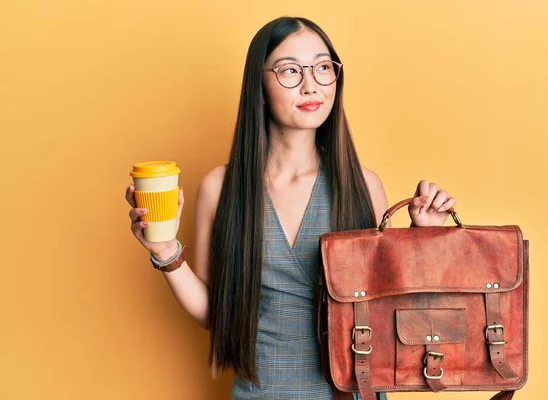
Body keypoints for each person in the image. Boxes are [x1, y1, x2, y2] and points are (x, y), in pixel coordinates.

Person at [125, 16, 457, 400]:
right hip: (259, 393)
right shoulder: (221, 187)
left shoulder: (363, 185)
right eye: (289, 70)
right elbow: (214, 315)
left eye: (322, 67)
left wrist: (424, 238)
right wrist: (165, 252)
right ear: (260, 85)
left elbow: (390, 318)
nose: (310, 84)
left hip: (350, 393)